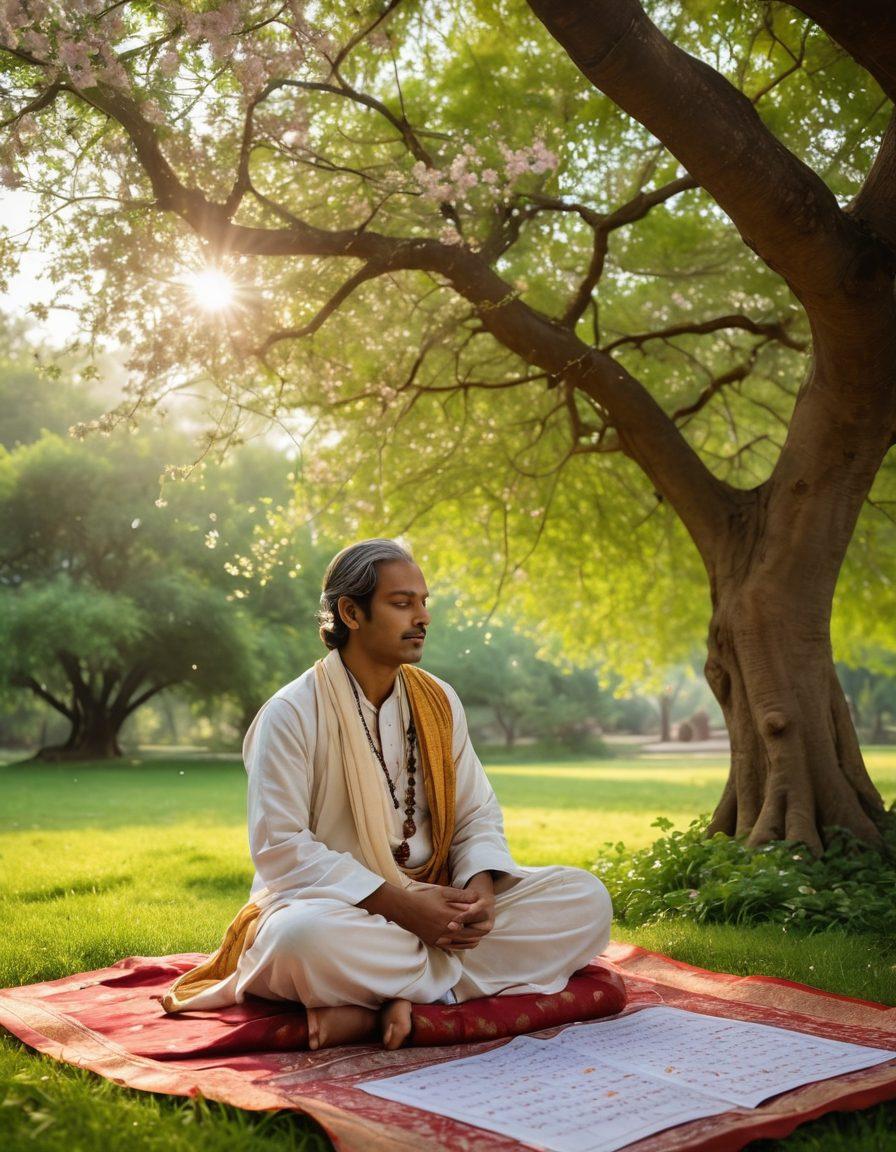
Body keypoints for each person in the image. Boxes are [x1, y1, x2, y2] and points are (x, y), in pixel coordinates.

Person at [162, 539, 612, 1050]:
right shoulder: (291, 713)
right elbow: (280, 848)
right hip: (336, 909)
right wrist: (400, 907)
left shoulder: (439, 701)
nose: (422, 617)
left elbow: (476, 814)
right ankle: (432, 994)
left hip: (438, 901)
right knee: (299, 943)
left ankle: (376, 1002)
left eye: (424, 602)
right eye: (402, 604)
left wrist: (480, 892)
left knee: (585, 899)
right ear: (350, 612)